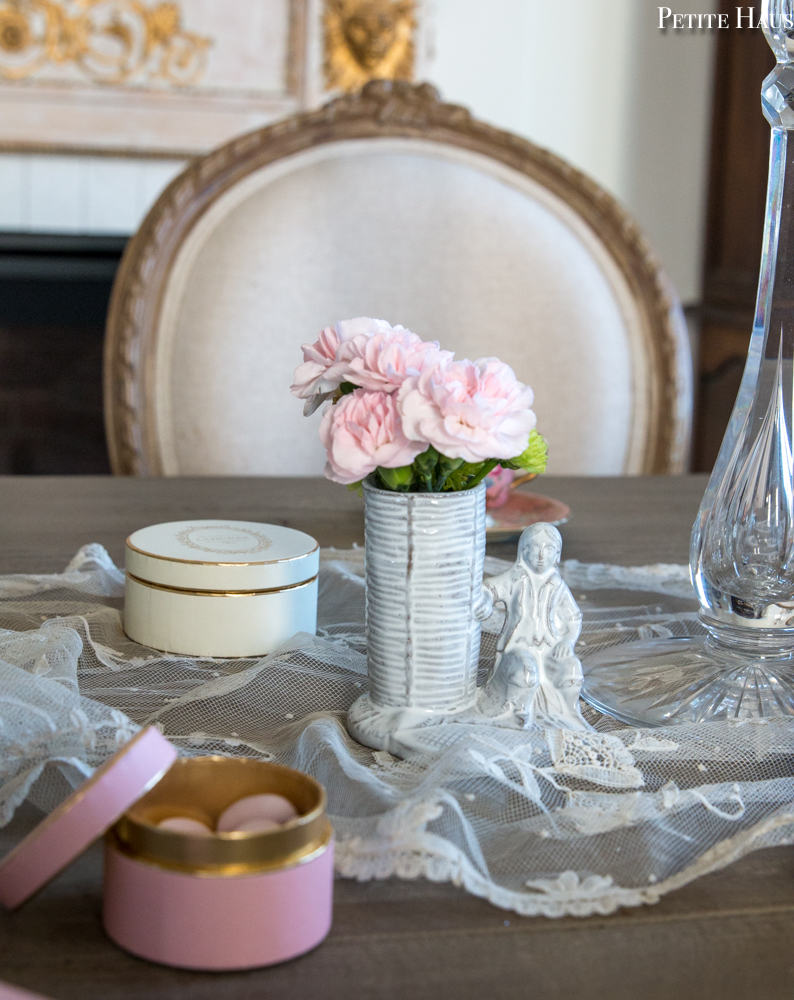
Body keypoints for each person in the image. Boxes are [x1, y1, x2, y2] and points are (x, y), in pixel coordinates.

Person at [475, 523, 588, 730]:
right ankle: (518, 713)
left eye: (549, 549)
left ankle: (570, 713)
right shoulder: (515, 577)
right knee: (526, 674)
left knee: (572, 670)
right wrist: (484, 600)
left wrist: (567, 641)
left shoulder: (557, 583)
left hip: (550, 646)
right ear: (523, 550)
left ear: (557, 555)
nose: (541, 555)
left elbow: (574, 616)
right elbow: (490, 588)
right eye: (535, 547)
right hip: (519, 647)